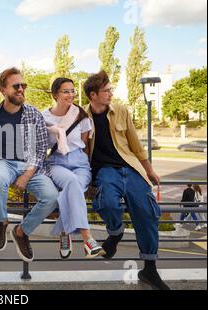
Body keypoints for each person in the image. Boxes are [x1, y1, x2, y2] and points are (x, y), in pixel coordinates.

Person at [84, 70, 170, 290]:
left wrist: (149, 170)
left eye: (110, 90)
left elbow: (135, 144)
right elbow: (81, 150)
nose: (111, 94)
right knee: (107, 203)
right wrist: (85, 179)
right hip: (105, 171)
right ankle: (115, 232)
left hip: (130, 168)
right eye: (106, 91)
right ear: (93, 95)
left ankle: (149, 269)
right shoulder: (82, 117)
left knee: (147, 213)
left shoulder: (121, 111)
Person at [0, 67, 59, 262]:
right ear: (3, 90)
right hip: (4, 163)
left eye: (23, 85)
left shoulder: (34, 114)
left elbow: (41, 148)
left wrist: (27, 174)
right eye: (16, 86)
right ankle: (1, 221)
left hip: (31, 165)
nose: (21, 89)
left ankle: (21, 232)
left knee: (51, 197)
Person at [42, 77, 104, 259]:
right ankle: (88, 238)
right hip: (57, 162)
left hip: (79, 163)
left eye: (72, 91)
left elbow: (84, 144)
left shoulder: (81, 115)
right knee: (71, 183)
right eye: (65, 91)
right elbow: (40, 144)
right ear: (55, 95)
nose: (70, 95)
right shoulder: (43, 117)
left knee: (72, 186)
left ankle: (64, 233)